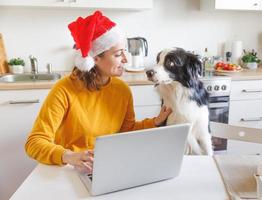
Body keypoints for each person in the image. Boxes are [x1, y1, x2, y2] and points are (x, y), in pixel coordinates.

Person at [25, 11, 172, 174]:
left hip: (109, 166)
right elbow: (34, 142)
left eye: (124, 52)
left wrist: (156, 122)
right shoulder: (64, 90)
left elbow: (126, 131)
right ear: (94, 58)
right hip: (71, 169)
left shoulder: (122, 90)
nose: (126, 59)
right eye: (118, 54)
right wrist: (69, 156)